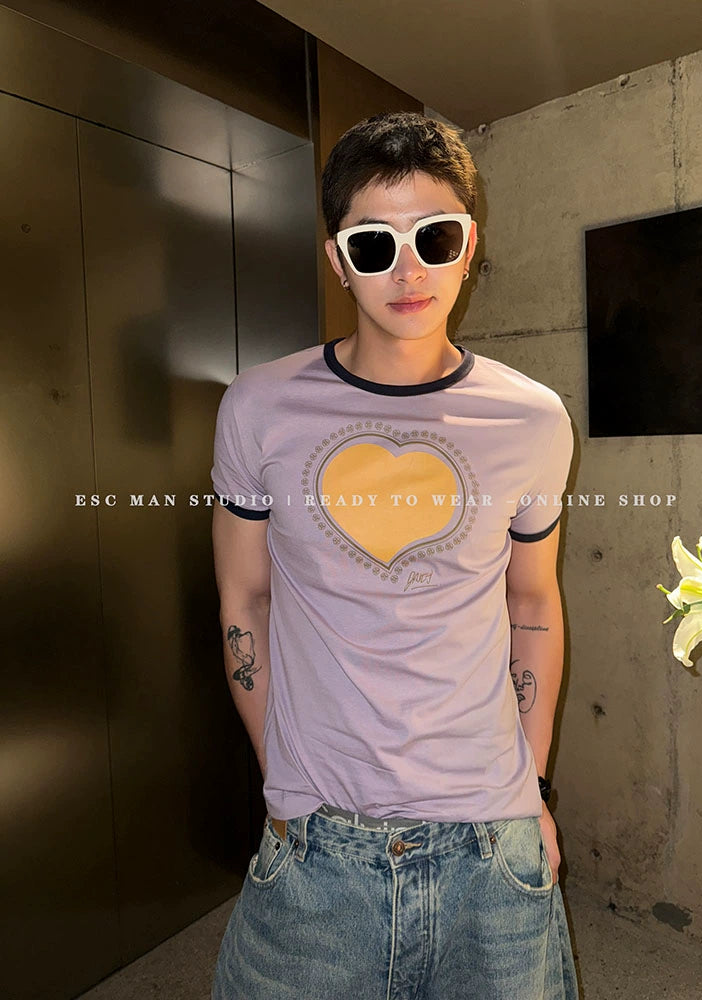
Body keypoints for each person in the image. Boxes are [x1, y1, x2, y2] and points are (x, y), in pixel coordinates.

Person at [210, 111, 579, 1000]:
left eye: (434, 237)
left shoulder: (532, 418)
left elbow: (532, 602)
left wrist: (531, 788)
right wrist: (283, 781)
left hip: (491, 840)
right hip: (317, 841)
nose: (409, 270)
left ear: (468, 246)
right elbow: (244, 600)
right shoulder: (258, 407)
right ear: (337, 261)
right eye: (374, 244)